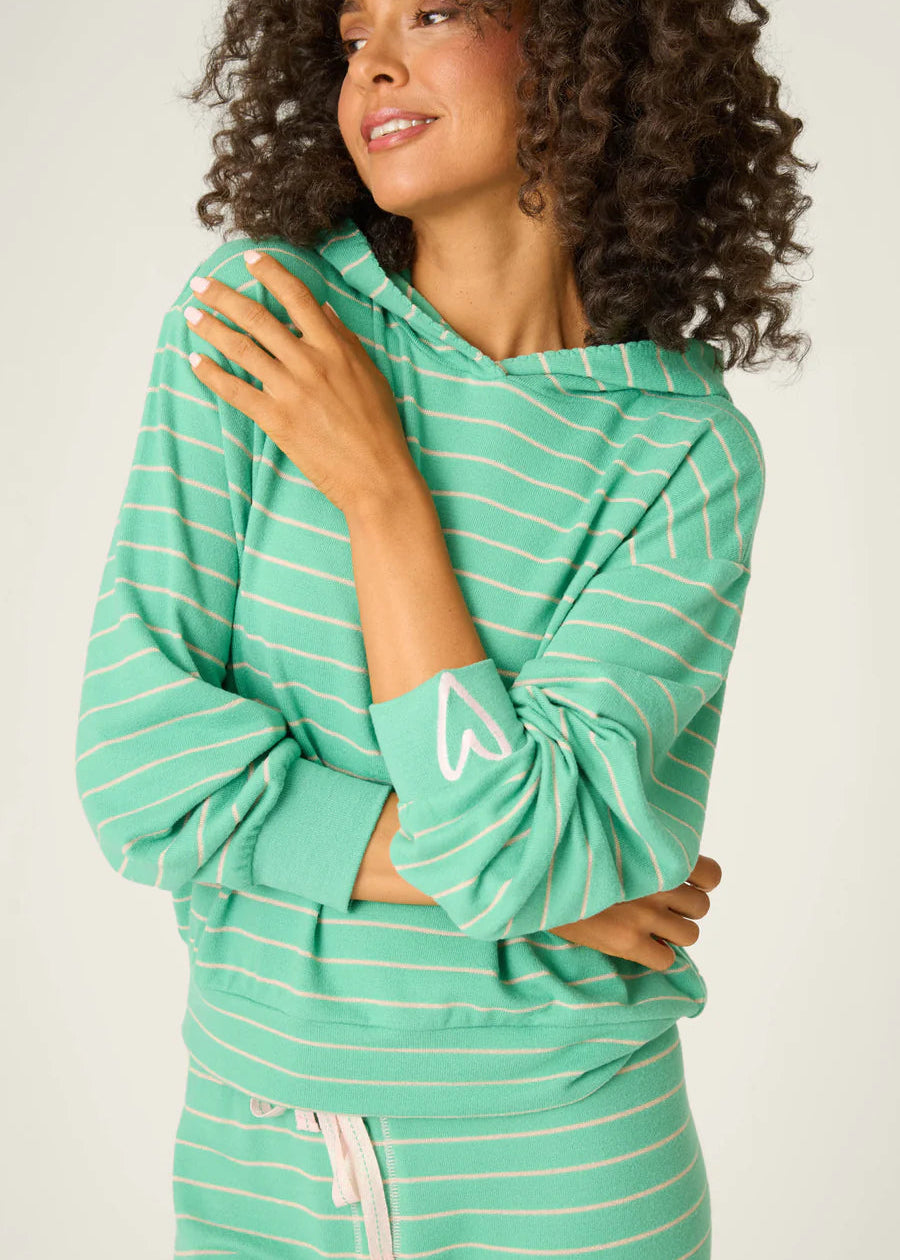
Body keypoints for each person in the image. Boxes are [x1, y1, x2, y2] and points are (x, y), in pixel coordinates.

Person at [74, 1, 813, 1255]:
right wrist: (538, 886)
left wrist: (381, 491)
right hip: (258, 1154)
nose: (375, 63)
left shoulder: (683, 454)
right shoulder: (266, 322)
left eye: (434, 10)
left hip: (566, 1170)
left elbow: (512, 854)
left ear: (586, 46)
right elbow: (138, 771)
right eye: (354, 28)